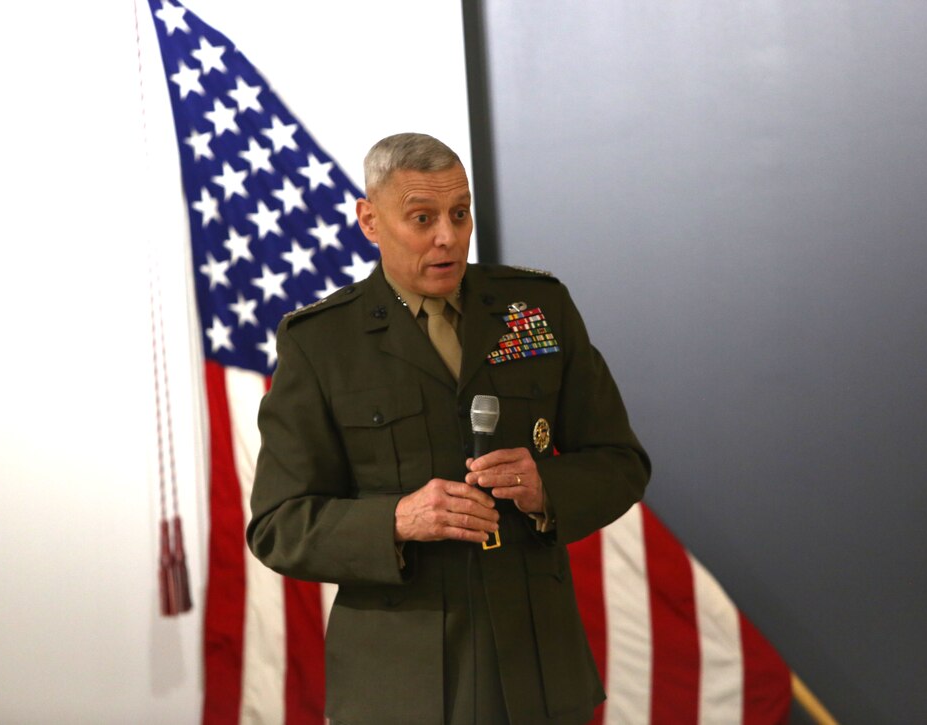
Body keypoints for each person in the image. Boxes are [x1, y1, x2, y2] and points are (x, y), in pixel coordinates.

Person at [247, 132, 650, 725]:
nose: (448, 236)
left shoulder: (536, 307)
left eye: (460, 214)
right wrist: (397, 520)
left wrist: (546, 490)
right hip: (401, 683)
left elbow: (620, 461)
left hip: (535, 670)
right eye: (422, 217)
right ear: (370, 221)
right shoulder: (320, 343)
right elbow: (278, 525)